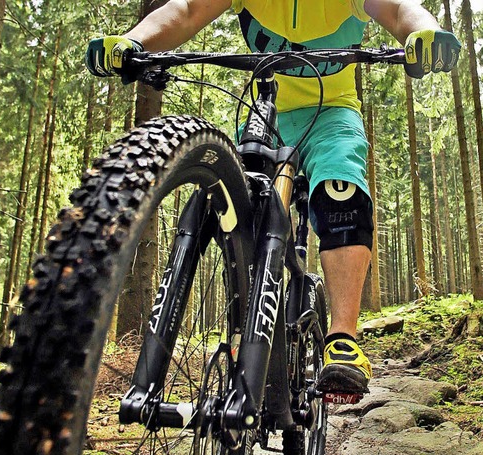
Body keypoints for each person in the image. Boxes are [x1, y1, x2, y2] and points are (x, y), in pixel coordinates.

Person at [85, 0, 460, 395]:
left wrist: (425, 33)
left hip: (332, 114)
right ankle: (245, 324)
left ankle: (343, 340)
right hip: (264, 116)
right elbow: (186, 9)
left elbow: (401, 9)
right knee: (235, 203)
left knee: (341, 194)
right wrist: (132, 41)